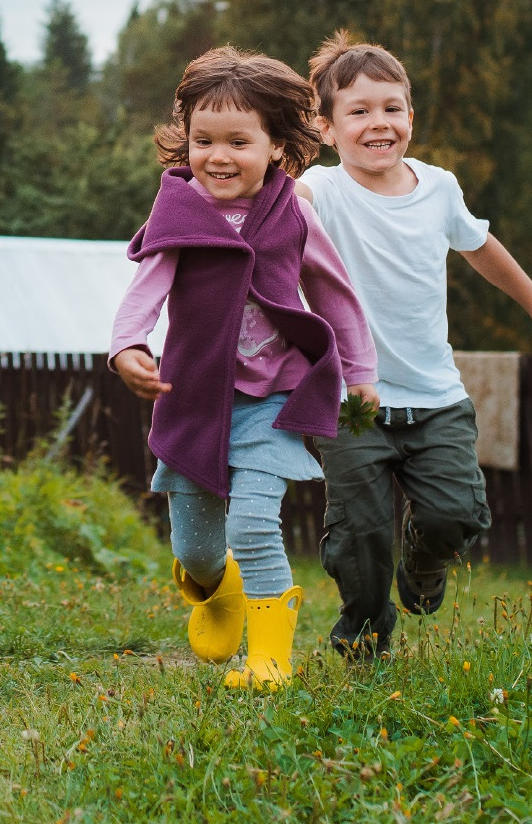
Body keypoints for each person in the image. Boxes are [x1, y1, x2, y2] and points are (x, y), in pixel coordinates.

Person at [299, 31, 532, 660]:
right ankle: (365, 640)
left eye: (392, 107)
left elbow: (483, 250)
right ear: (325, 128)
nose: (379, 123)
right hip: (352, 400)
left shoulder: (438, 188)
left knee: (456, 513)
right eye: (358, 111)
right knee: (361, 536)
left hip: (435, 396)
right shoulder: (323, 193)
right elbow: (288, 204)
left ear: (410, 115)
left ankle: (425, 562)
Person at [110, 47, 378, 689]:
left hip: (274, 400)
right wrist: (127, 348)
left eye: (238, 141)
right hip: (196, 398)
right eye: (203, 141)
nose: (218, 156)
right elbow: (146, 289)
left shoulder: (293, 213)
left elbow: (333, 292)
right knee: (196, 552)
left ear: (277, 146)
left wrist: (359, 370)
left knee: (256, 522)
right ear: (186, 143)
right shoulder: (180, 213)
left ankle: (269, 660)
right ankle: (218, 590)